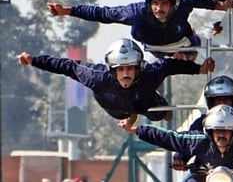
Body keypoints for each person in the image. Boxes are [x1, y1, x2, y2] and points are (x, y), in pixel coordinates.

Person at [18, 38, 215, 129]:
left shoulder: (150, 73)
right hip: (115, 107)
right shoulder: (96, 76)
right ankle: (131, 116)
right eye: (121, 70)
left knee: (166, 115)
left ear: (138, 68)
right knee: (127, 112)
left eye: (130, 69)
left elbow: (170, 65)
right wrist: (34, 60)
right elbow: (66, 66)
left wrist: (199, 69)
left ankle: (137, 113)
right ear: (112, 71)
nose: (126, 74)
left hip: (144, 101)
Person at [47, 0, 231, 59]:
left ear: (174, 3)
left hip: (183, 41)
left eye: (165, 4)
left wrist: (221, 5)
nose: (159, 8)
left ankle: (190, 48)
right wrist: (67, 11)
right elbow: (101, 13)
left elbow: (203, 1)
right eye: (155, 3)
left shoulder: (185, 2)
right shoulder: (134, 13)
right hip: (153, 47)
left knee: (196, 46)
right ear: (149, 3)